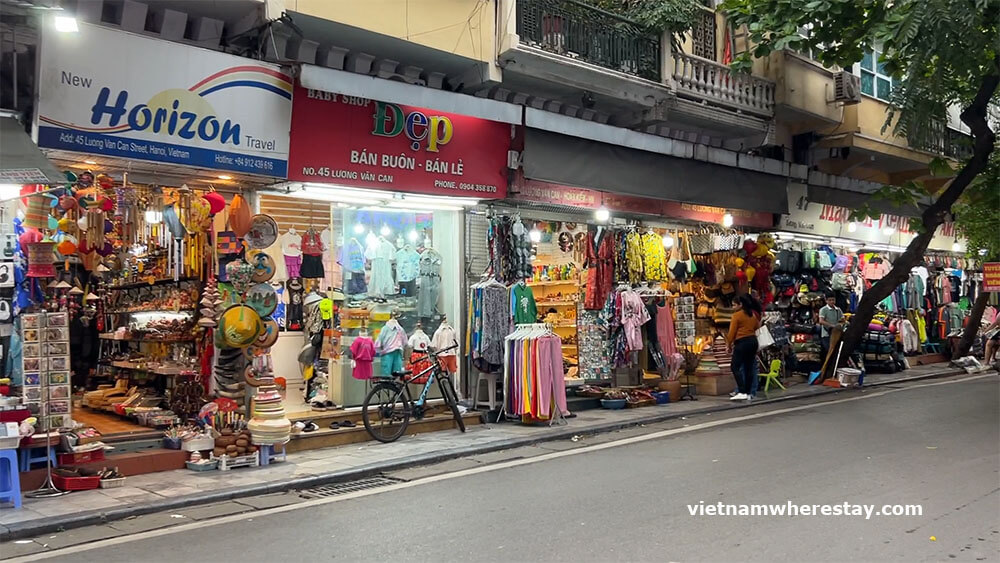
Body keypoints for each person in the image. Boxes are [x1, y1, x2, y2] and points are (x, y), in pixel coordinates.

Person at [727, 293, 763, 401]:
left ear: (740, 304)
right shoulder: (752, 314)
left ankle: (742, 390)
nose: (733, 307)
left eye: (734, 305)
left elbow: (731, 332)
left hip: (742, 342)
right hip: (753, 341)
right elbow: (757, 327)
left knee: (735, 366)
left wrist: (728, 344)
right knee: (749, 368)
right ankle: (748, 392)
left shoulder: (737, 316)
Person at [818, 294, 845, 360]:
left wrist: (840, 325)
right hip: (826, 334)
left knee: (835, 351)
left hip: (835, 334)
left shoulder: (838, 310)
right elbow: (821, 321)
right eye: (830, 300)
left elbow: (842, 320)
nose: (832, 302)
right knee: (828, 351)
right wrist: (832, 325)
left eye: (833, 300)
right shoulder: (823, 310)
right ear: (826, 301)